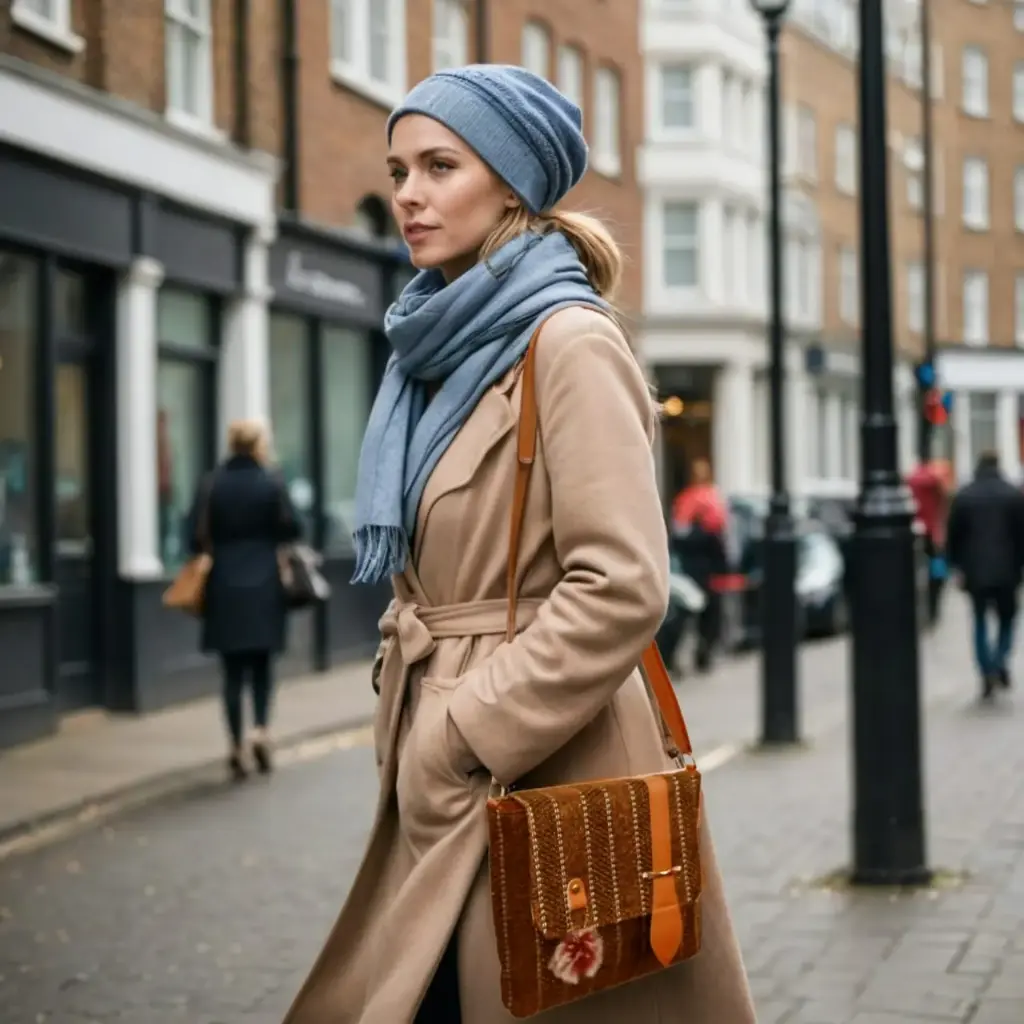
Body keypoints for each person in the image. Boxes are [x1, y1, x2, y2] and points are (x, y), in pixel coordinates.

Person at [283, 65, 754, 1024]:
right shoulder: (433, 350)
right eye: (398, 169)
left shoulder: (567, 342)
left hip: (542, 754)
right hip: (453, 747)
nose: (406, 193)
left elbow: (621, 584)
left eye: (438, 165)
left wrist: (464, 733)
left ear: (510, 182)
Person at [187, 419, 300, 780]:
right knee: (263, 666)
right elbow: (294, 527)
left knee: (232, 671)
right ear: (258, 445)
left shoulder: (212, 484)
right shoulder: (271, 481)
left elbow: (193, 534)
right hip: (265, 580)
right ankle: (262, 730)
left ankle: (235, 744)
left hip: (224, 584)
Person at [946, 450, 1024, 698]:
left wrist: (956, 565)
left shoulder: (965, 495)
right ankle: (999, 659)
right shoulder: (1012, 495)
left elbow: (953, 535)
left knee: (979, 619)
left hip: (975, 570)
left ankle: (986, 667)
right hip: (1007, 569)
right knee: (1007, 619)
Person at [670, 458, 729, 671]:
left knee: (701, 615)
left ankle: (700, 653)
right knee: (699, 615)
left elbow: (679, 535)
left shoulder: (694, 499)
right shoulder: (706, 499)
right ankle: (699, 654)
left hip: (698, 569)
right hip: (699, 569)